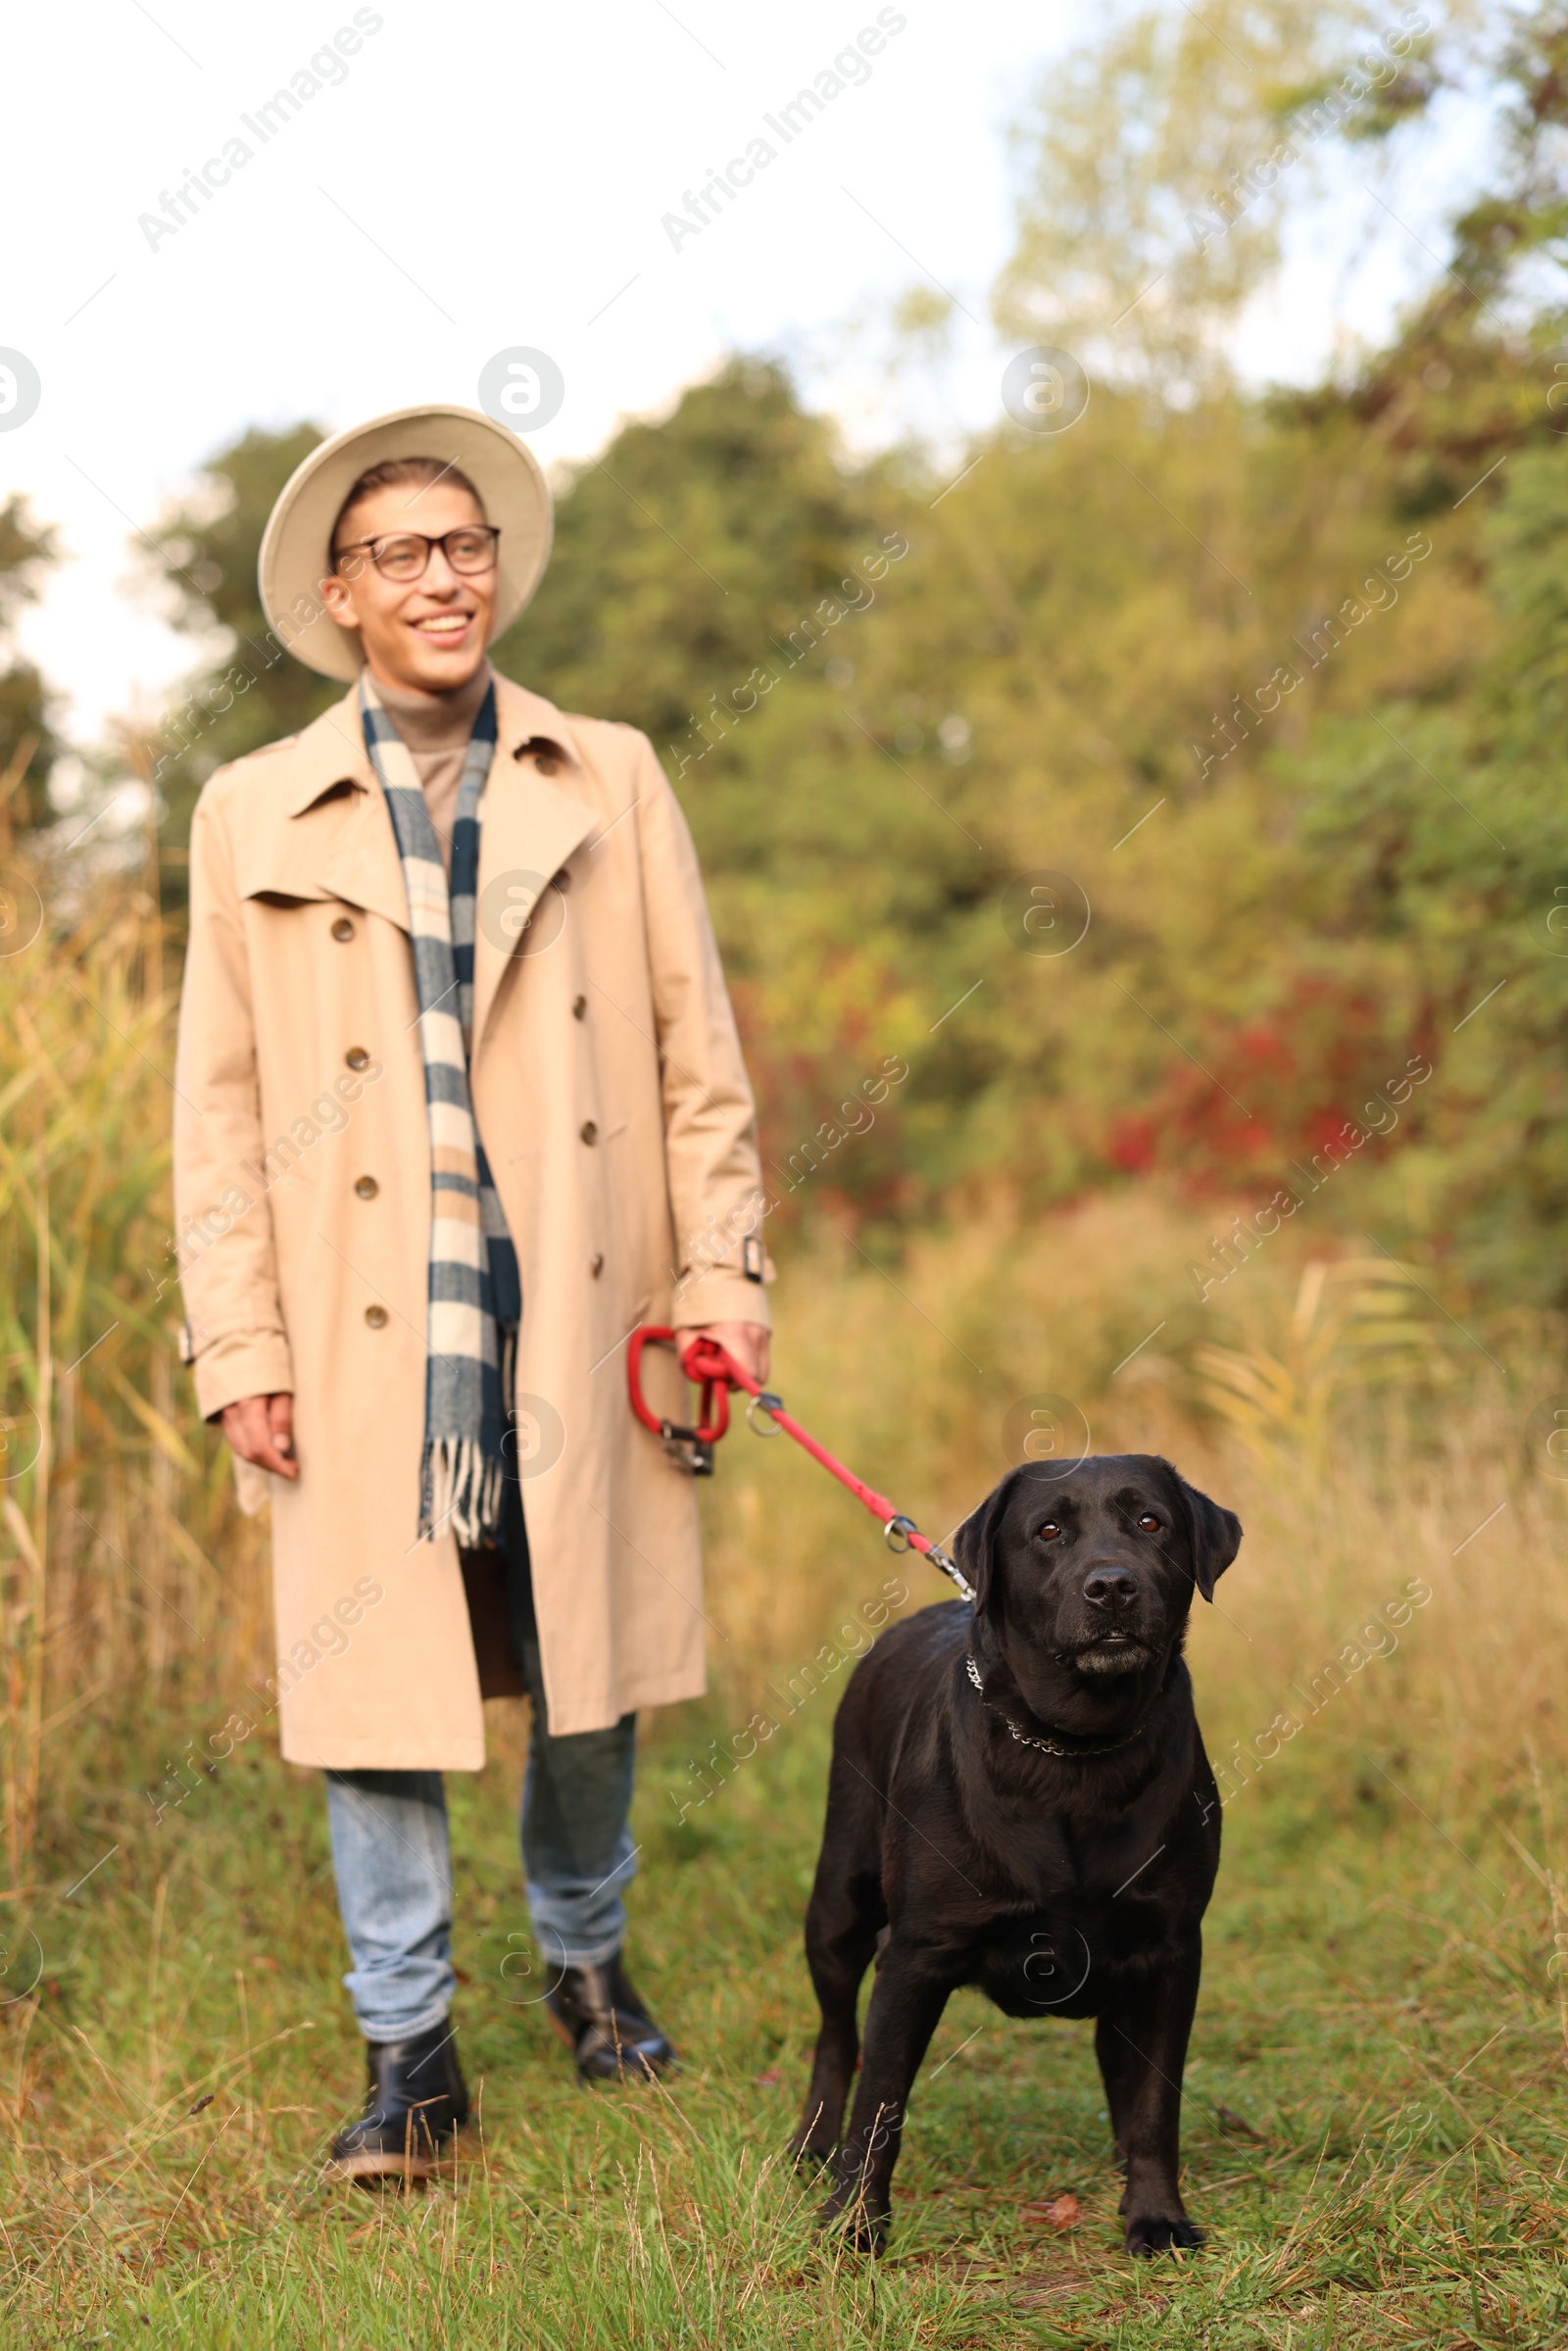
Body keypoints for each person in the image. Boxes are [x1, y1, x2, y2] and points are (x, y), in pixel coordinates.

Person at [172, 404, 771, 2181]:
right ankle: (411, 2048)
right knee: (377, 1687)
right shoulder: (249, 808)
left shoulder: (613, 770)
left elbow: (696, 1053)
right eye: (405, 555)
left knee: (588, 1671)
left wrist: (725, 1271)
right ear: (342, 596)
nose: (447, 577)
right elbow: (213, 1102)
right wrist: (241, 1343)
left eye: (469, 546)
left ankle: (588, 1963)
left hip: (585, 1303)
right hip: (367, 1330)